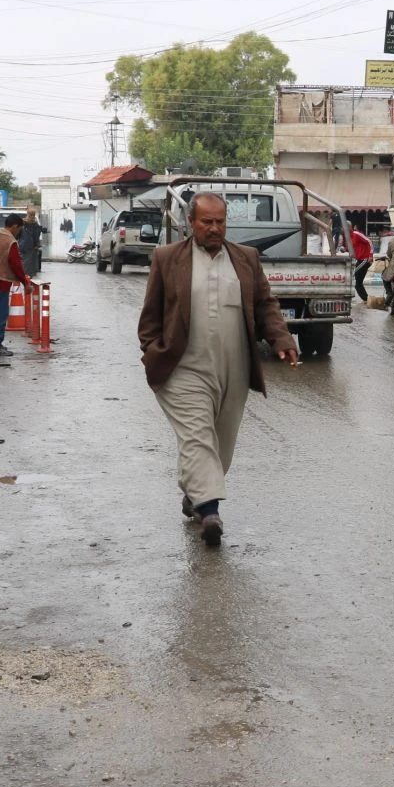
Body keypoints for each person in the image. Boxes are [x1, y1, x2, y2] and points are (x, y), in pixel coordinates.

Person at [138, 192, 299, 548]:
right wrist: (151, 352)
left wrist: (281, 338)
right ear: (190, 223)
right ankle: (210, 512)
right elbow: (150, 316)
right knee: (198, 436)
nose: (214, 228)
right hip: (183, 368)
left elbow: (265, 304)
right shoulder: (168, 258)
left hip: (233, 366)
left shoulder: (246, 258)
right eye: (206, 222)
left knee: (221, 445)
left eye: (220, 222)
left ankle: (195, 494)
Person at [0, 214, 31, 357]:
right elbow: (16, 264)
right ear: (14, 226)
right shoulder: (10, 241)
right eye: (19, 229)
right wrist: (25, 283)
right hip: (1, 280)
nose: (18, 232)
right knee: (1, 315)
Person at [349, 223, 374, 304]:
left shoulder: (356, 234)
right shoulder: (349, 237)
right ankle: (366, 300)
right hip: (359, 260)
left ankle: (366, 300)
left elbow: (369, 242)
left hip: (365, 259)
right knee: (358, 282)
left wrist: (370, 255)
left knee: (354, 277)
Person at [18, 207, 44, 275]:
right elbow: (36, 237)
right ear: (28, 214)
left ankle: (26, 277)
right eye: (31, 214)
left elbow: (36, 236)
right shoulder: (24, 224)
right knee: (27, 265)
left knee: (28, 265)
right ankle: (25, 277)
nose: (32, 216)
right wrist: (37, 244)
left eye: (33, 215)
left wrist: (37, 245)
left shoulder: (33, 225)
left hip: (27, 247)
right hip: (26, 247)